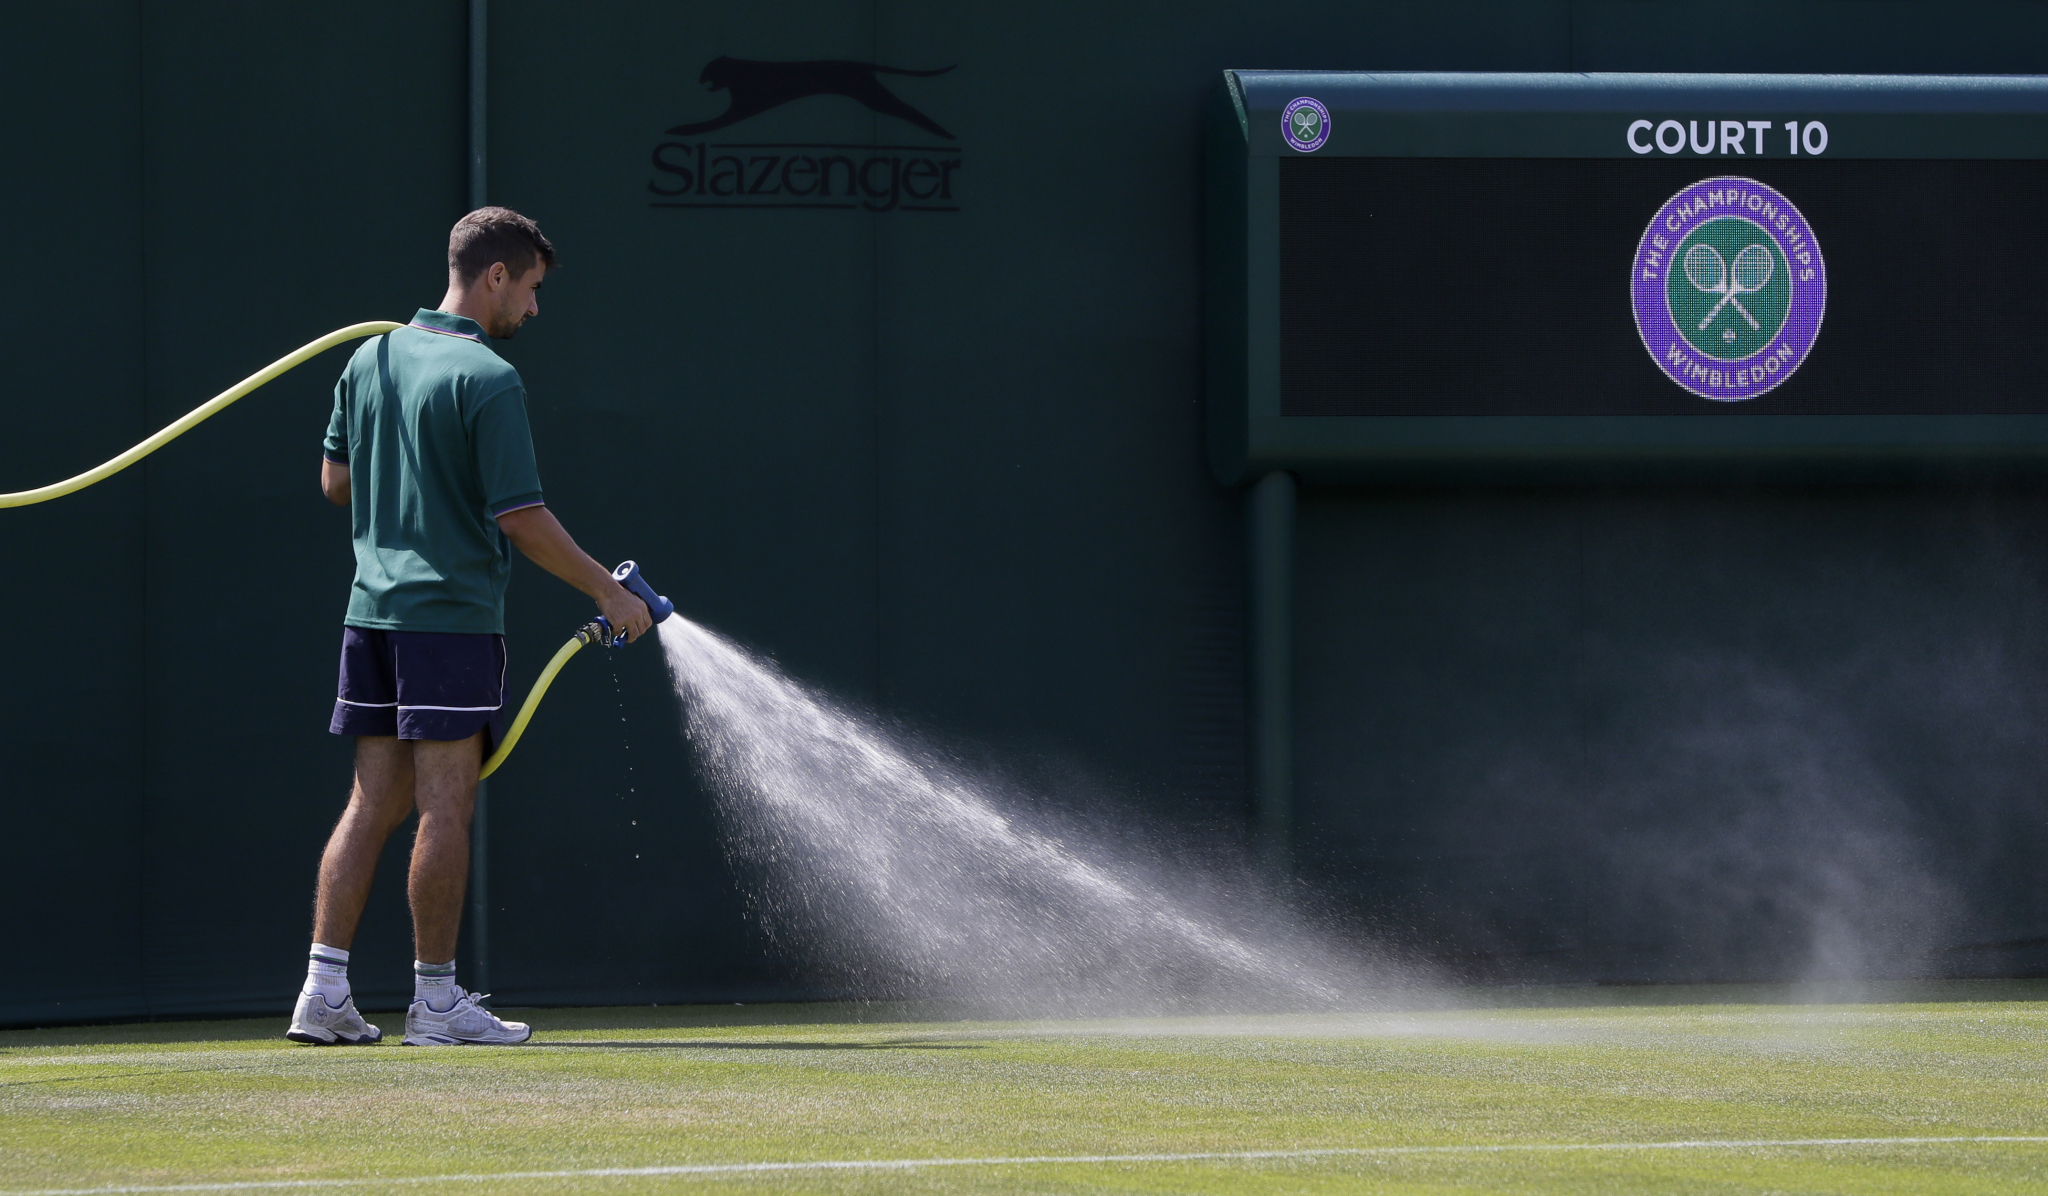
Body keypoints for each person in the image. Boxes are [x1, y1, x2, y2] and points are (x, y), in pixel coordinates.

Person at [287, 208, 651, 1046]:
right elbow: (521, 516)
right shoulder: (489, 378)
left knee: (372, 801)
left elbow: (334, 484)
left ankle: (323, 992)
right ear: (495, 276)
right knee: (444, 807)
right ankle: (437, 1002)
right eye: (529, 289)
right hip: (449, 622)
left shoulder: (370, 357)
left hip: (369, 616)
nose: (533, 309)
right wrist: (608, 592)